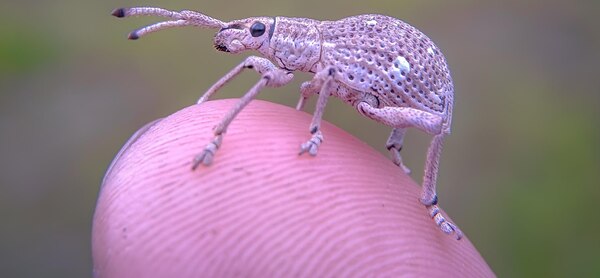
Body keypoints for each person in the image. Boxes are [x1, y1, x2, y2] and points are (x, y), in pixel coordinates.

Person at [93, 99, 493, 277]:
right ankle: (207, 112)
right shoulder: (301, 61)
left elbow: (326, 80)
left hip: (418, 88)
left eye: (257, 31)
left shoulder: (326, 63)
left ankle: (429, 199)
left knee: (433, 123)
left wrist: (314, 132)